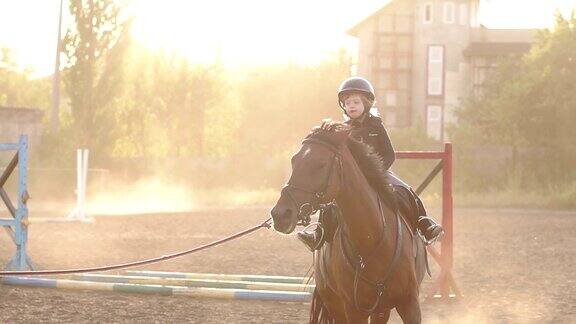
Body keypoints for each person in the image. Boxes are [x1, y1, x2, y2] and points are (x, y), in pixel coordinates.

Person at [297, 77, 444, 251]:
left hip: (377, 174)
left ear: (367, 103)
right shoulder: (342, 130)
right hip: (350, 178)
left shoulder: (376, 126)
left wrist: (376, 172)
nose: (351, 105)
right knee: (330, 200)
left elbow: (389, 154)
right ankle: (319, 234)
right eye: (347, 102)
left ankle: (424, 224)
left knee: (405, 190)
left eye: (356, 102)